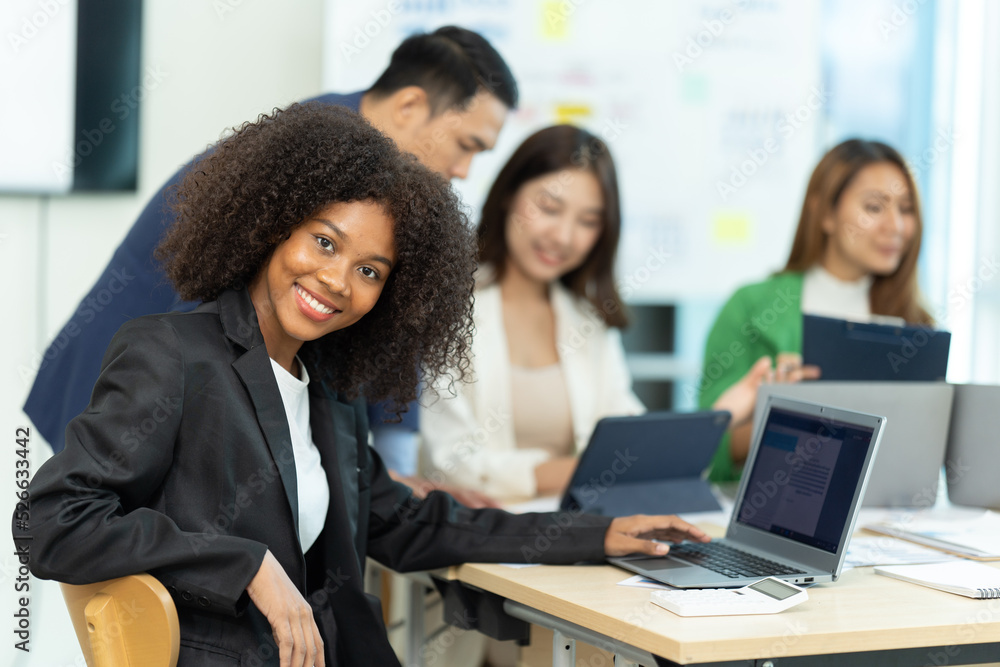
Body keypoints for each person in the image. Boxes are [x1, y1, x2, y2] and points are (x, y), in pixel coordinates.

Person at [17, 105, 710, 667]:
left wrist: (598, 533)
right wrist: (245, 564)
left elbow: (409, 523)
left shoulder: (332, 392)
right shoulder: (173, 354)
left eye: (371, 270)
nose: (337, 282)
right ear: (271, 224)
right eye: (324, 242)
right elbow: (52, 520)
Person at [23, 25, 514, 507]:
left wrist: (393, 467)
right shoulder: (312, 155)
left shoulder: (389, 186)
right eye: (467, 145)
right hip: (125, 392)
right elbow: (212, 326)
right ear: (409, 106)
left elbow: (396, 322)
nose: (465, 171)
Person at [420, 125, 772, 500]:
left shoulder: (587, 322)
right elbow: (453, 467)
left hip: (573, 535)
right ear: (508, 194)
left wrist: (721, 416)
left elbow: (632, 441)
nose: (564, 236)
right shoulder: (446, 307)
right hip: (477, 538)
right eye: (549, 208)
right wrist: (591, 469)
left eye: (588, 221)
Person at [699, 138, 933, 482]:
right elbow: (705, 448)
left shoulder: (916, 324)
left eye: (906, 208)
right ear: (826, 213)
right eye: (874, 207)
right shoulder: (750, 307)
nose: (895, 226)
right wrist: (783, 423)